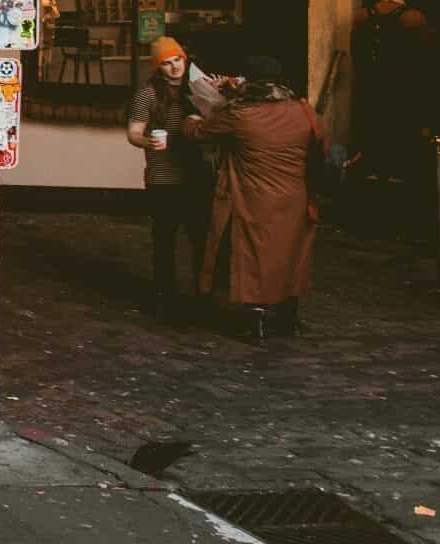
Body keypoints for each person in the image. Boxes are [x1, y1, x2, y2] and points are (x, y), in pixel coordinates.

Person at [187, 56, 320, 342]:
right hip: (294, 196)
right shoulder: (304, 111)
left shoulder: (240, 114)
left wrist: (191, 119)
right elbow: (318, 147)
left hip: (253, 197)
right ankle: (290, 316)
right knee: (291, 254)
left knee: (254, 256)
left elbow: (200, 133)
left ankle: (256, 320)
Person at [124, 36, 211, 319]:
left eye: (178, 60)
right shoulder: (147, 94)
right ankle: (165, 296)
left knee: (201, 239)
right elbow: (134, 132)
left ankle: (204, 295)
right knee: (164, 240)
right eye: (166, 63)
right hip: (163, 176)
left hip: (197, 174)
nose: (174, 67)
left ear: (186, 58)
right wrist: (146, 141)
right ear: (157, 67)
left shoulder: (201, 88)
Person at [352, 0, 432, 179]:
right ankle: (396, 171)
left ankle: (372, 169)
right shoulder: (414, 17)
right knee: (399, 127)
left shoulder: (361, 15)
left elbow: (356, 51)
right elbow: (425, 56)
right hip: (402, 83)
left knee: (372, 124)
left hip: (369, 81)